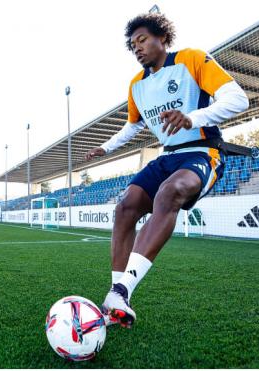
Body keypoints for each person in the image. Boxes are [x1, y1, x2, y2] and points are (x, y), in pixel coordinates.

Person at [85, 12, 248, 328]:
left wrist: (193, 117)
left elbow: (237, 99)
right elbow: (132, 126)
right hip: (167, 156)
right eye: (133, 45)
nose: (138, 49)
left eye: (142, 40)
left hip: (202, 152)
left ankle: (122, 289)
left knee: (170, 192)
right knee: (126, 206)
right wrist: (105, 148)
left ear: (162, 37)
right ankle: (115, 299)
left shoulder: (191, 59)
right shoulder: (137, 85)